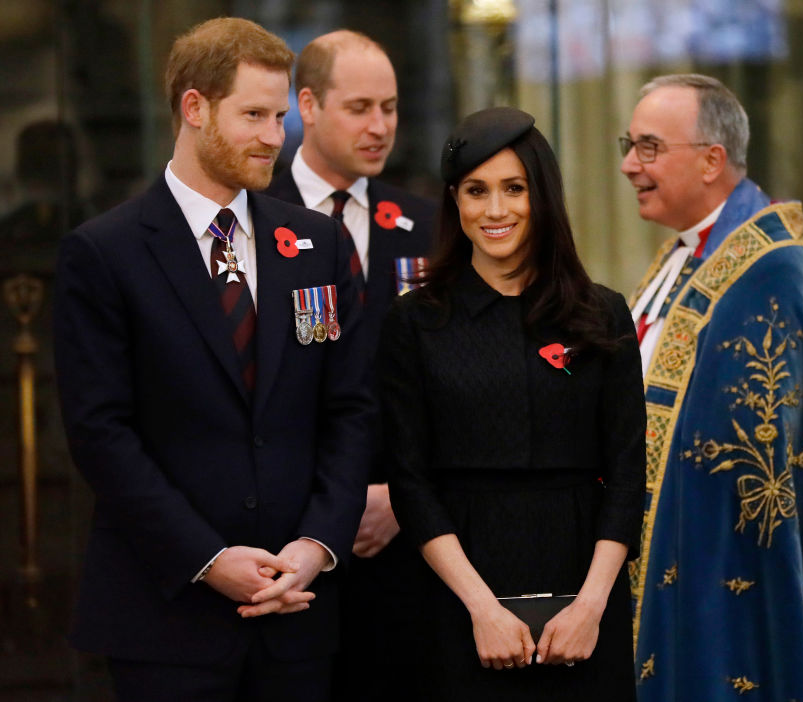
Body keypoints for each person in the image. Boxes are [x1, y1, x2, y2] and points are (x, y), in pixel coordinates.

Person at [53, 18, 372, 702]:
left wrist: (316, 545)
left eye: (281, 115)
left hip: (299, 614)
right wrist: (207, 558)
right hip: (164, 620)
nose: (273, 136)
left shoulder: (318, 243)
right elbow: (99, 432)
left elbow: (352, 409)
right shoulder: (105, 254)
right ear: (195, 108)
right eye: (253, 114)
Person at [621, 74, 803, 702]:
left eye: (650, 147)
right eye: (629, 144)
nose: (630, 164)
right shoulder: (681, 255)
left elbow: (747, 462)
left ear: (712, 161)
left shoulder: (768, 269)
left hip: (721, 569)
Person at [377, 106, 646, 701]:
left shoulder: (602, 315)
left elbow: (629, 475)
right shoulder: (416, 322)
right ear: (455, 202)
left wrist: (590, 606)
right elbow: (410, 483)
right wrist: (481, 608)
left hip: (585, 587)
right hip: (457, 590)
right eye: (476, 191)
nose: (495, 211)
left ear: (542, 196)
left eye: (514, 189)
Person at [263, 29, 436, 701]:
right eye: (360, 107)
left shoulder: (424, 226)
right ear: (307, 104)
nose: (379, 126)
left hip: (405, 533)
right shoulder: (254, 217)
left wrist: (403, 493)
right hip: (290, 533)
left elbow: (452, 379)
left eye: (390, 108)